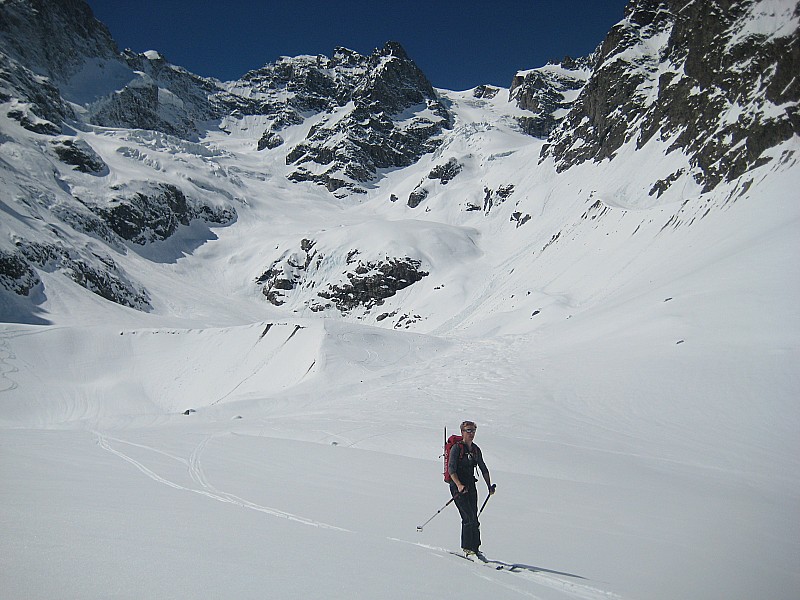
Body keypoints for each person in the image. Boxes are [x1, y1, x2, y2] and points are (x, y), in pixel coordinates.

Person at [448, 420, 494, 557]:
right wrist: (459, 485)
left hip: (471, 485)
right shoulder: (457, 448)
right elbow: (451, 469)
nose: (471, 433)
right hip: (458, 487)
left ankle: (475, 547)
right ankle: (467, 548)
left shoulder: (475, 449)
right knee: (467, 517)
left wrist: (489, 486)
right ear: (462, 432)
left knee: (474, 516)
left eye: (473, 430)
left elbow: (483, 467)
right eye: (468, 430)